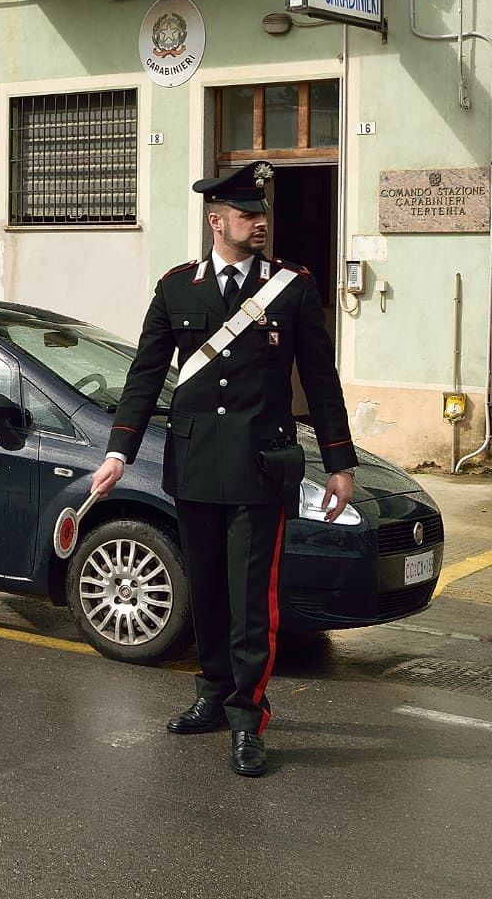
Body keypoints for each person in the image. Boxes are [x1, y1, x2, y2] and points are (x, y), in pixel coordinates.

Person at [89, 160, 356, 779]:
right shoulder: (178, 287)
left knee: (250, 599)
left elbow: (319, 377)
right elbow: (145, 374)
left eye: (262, 213)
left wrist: (339, 462)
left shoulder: (290, 287)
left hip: (262, 468)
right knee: (206, 588)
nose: (260, 223)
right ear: (217, 221)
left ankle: (247, 716)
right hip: (195, 464)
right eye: (247, 215)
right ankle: (213, 691)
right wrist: (118, 452)